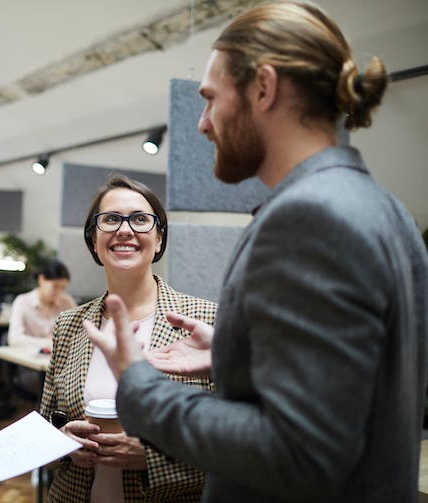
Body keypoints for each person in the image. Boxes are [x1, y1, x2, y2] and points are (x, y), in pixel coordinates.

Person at [85, 3, 428, 502]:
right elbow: (352, 395)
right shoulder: (386, 209)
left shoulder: (309, 216)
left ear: (263, 88)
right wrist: (234, 352)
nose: (202, 124)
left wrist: (139, 384)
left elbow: (298, 452)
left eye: (210, 99)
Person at [39, 175, 218, 502]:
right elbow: (45, 431)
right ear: (94, 241)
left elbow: (240, 447)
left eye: (140, 219)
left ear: (159, 239)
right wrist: (64, 444)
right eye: (110, 220)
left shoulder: (206, 320)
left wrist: (153, 459)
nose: (124, 230)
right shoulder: (70, 323)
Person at [7, 259, 76, 352]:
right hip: (29, 359)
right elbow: (14, 339)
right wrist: (47, 342)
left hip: (59, 360)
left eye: (63, 288)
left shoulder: (66, 302)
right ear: (41, 279)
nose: (59, 292)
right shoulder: (23, 302)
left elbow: (79, 332)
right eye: (55, 287)